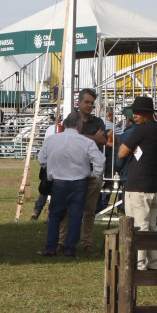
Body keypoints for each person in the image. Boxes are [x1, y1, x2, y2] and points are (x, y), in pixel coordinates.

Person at [36, 112, 104, 257]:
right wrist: (94, 175)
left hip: (59, 182)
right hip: (79, 183)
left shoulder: (51, 140)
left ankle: (50, 247)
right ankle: (70, 249)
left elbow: (41, 159)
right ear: (80, 126)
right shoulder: (87, 142)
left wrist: (51, 170)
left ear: (64, 125)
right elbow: (100, 161)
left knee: (55, 215)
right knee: (75, 215)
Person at [117, 95, 157, 270]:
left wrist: (132, 149)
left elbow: (121, 153)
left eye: (137, 112)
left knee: (139, 227)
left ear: (147, 114)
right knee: (152, 227)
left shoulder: (141, 129)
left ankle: (137, 264)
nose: (134, 115)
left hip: (138, 186)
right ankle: (154, 262)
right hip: (154, 186)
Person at [59, 89, 108, 251]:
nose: (89, 105)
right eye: (87, 102)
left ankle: (86, 242)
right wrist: (93, 138)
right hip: (73, 171)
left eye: (92, 103)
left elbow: (103, 140)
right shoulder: (71, 119)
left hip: (93, 172)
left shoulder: (98, 122)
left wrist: (82, 137)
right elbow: (67, 139)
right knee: (67, 208)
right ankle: (62, 241)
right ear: (78, 102)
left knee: (89, 210)